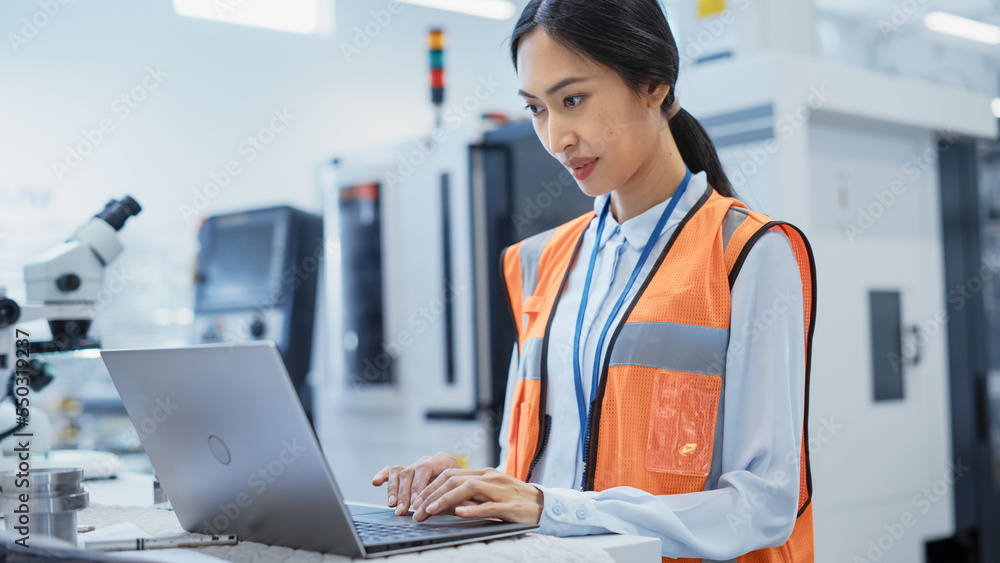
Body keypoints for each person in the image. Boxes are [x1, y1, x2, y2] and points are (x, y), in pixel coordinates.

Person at [372, 0, 817, 560]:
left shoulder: (750, 253)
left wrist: (553, 509)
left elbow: (765, 503)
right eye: (537, 109)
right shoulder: (541, 261)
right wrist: (464, 483)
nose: (557, 137)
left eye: (573, 100)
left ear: (654, 84)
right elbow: (543, 471)